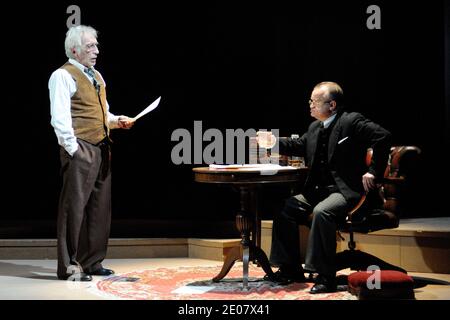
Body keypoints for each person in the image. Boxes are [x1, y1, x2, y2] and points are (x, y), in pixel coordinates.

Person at [257, 81, 391, 293]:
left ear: (332, 105)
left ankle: (325, 276)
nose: (310, 104)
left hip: (345, 190)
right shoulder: (314, 127)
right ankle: (289, 269)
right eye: (310, 100)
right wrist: (272, 142)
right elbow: (298, 146)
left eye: (315, 101)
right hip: (318, 191)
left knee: (322, 212)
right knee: (286, 209)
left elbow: (383, 136)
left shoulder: (351, 121)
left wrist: (373, 171)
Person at [49, 25, 134, 281]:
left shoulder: (96, 76)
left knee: (99, 208)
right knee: (73, 208)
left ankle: (92, 262)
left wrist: (116, 121)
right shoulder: (62, 76)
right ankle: (69, 266)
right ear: (75, 49)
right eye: (90, 46)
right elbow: (60, 119)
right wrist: (74, 150)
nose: (96, 50)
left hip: (102, 147)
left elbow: (101, 113)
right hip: (81, 147)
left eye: (96, 45)